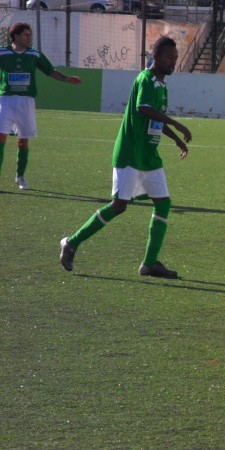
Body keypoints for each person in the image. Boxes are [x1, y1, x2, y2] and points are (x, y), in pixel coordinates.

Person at [59, 36, 192, 278]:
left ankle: (149, 263)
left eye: (175, 58)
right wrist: (177, 123)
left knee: (163, 203)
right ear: (156, 57)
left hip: (149, 156)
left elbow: (154, 118)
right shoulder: (146, 79)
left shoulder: (162, 86)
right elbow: (143, 108)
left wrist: (175, 138)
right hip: (130, 153)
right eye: (168, 57)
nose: (173, 62)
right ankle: (71, 243)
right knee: (119, 206)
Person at [0, 22, 82, 190]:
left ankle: (20, 176)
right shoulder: (2, 52)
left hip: (26, 102)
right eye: (26, 34)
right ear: (15, 36)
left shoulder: (34, 54)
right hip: (5, 100)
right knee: (1, 138)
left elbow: (50, 71)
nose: (29, 38)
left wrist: (67, 79)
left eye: (29, 35)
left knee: (23, 141)